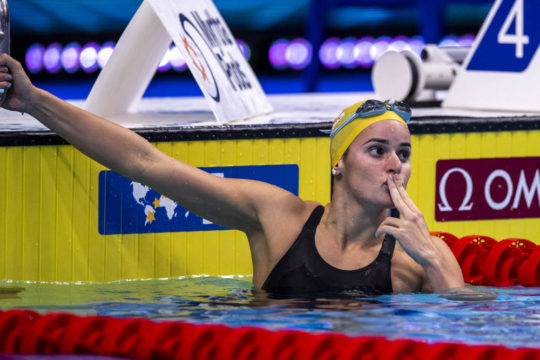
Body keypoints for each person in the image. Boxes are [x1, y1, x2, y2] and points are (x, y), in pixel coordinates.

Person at [0, 54, 481, 297]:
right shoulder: (279, 220)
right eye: (377, 150)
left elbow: (472, 333)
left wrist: (436, 264)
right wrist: (35, 101)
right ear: (339, 162)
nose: (395, 164)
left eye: (403, 152)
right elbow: (147, 164)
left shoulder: (420, 256)